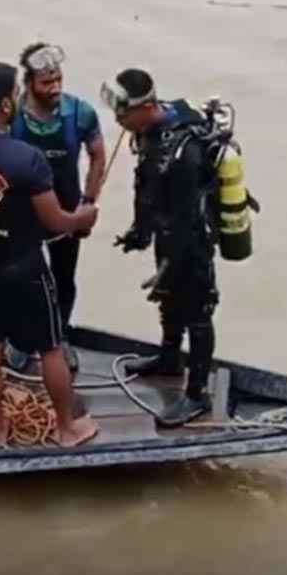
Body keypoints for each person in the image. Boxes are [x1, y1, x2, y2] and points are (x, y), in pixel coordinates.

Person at [0, 61, 100, 447]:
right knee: (51, 348)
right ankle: (66, 429)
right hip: (25, 270)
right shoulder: (27, 158)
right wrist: (84, 216)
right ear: (7, 104)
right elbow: (56, 221)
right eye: (16, 93)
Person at [105, 68, 224, 426]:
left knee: (197, 311)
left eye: (123, 112)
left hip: (192, 239)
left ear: (146, 107)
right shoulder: (149, 132)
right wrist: (139, 231)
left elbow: (189, 215)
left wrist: (170, 265)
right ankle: (170, 359)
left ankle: (197, 395)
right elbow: (146, 185)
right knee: (169, 299)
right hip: (167, 231)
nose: (118, 119)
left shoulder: (184, 151)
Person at [6, 42, 106, 373]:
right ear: (29, 82)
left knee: (64, 277)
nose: (55, 88)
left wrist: (88, 204)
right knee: (21, 276)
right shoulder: (11, 115)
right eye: (47, 82)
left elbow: (98, 156)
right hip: (22, 213)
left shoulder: (80, 113)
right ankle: (21, 339)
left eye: (59, 79)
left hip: (66, 211)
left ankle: (60, 336)